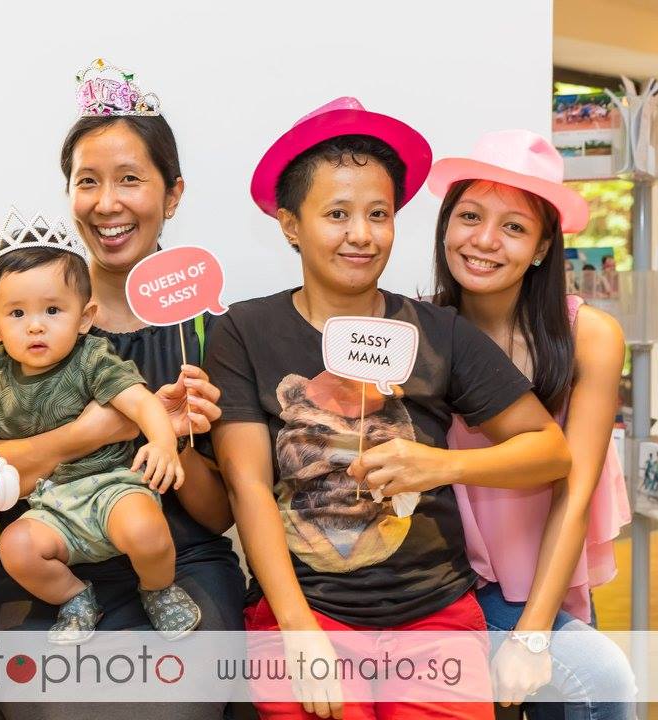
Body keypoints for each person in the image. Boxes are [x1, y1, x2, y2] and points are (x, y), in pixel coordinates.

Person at [207, 97, 572, 720]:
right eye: (337, 214)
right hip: (306, 611)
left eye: (378, 214)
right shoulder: (244, 330)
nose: (362, 234)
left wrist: (443, 466)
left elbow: (550, 451)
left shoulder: (439, 331)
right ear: (291, 224)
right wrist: (298, 631)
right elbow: (248, 486)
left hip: (436, 616)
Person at [0, 59, 245, 720]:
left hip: (176, 563)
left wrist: (174, 439)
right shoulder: (18, 326)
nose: (107, 203)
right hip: (46, 563)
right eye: (87, 181)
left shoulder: (207, 334)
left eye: (131, 179)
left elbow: (217, 516)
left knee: (174, 708)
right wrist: (102, 429)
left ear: (173, 194)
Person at [428, 129, 635, 718]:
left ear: (543, 246)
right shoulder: (416, 329)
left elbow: (575, 491)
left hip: (547, 584)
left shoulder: (588, 336)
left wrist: (534, 635)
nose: (484, 240)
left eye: (514, 227)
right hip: (451, 587)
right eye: (470, 216)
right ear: (446, 224)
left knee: (597, 686)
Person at [0, 212, 201, 643]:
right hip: (49, 503)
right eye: (17, 313)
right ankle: (76, 597)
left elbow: (141, 402)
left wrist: (163, 443)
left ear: (84, 316)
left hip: (112, 486)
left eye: (53, 310)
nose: (35, 325)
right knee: (16, 549)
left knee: (146, 531)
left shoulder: (92, 358)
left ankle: (157, 589)